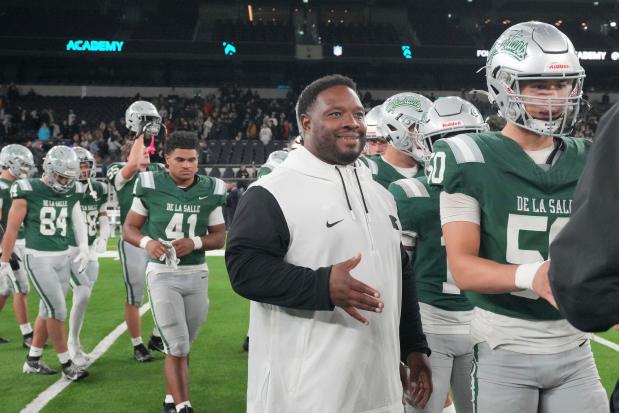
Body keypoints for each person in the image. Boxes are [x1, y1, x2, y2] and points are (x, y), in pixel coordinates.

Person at [430, 21, 609, 412]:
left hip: (574, 345)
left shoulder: (592, 155)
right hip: (503, 345)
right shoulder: (468, 155)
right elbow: (462, 268)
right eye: (539, 85)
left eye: (562, 85)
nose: (554, 97)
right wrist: (532, 276)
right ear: (505, 85)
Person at [226, 74, 432, 413]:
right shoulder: (273, 191)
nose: (352, 123)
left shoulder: (380, 194)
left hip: (379, 390)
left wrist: (413, 348)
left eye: (358, 114)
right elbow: (244, 269)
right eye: (336, 114)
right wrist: (321, 285)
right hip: (305, 395)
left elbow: (400, 271)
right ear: (306, 123)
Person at [389, 97, 488, 413]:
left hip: (456, 325)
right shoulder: (495, 190)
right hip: (445, 326)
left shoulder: (410, 192)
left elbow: (398, 277)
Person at [123, 133, 226, 413]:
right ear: (166, 159)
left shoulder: (211, 189)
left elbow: (219, 237)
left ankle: (173, 396)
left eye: (192, 159)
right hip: (163, 274)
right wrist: (148, 242)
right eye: (180, 159)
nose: (187, 165)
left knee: (183, 345)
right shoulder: (149, 185)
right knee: (177, 344)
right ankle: (183, 406)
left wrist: (195, 242)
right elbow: (129, 227)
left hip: (197, 274)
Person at [0, 145, 90, 381]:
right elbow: (10, 228)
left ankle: (33, 360)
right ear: (49, 170)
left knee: (45, 310)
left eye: (69, 178)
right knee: (57, 310)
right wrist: (4, 258)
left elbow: (77, 218)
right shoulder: (28, 189)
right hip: (38, 257)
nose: (65, 182)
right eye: (61, 176)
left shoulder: (72, 191)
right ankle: (67, 364)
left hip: (63, 256)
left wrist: (84, 247)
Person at [106, 100, 165, 362]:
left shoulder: (157, 170)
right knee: (135, 294)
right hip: (132, 241)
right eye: (142, 151)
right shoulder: (119, 170)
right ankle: (137, 344)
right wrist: (142, 132)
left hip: (155, 239)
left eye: (148, 151)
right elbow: (130, 166)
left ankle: (155, 336)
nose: (147, 154)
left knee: (163, 290)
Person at [66, 147, 109, 367]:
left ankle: (72, 342)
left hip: (90, 250)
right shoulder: (65, 189)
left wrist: (103, 237)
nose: (84, 170)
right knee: (80, 295)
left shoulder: (99, 188)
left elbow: (103, 216)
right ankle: (70, 345)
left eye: (87, 166)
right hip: (69, 250)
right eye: (80, 166)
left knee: (82, 298)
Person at [0, 144, 36, 347]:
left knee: (4, 289)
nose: (24, 169)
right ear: (10, 162)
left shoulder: (17, 186)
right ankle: (27, 335)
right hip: (8, 244)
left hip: (20, 241)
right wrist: (5, 251)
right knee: (21, 288)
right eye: (21, 164)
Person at [361, 92, 432, 188]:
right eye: (421, 128)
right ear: (395, 129)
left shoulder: (432, 171)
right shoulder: (366, 170)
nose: (428, 136)